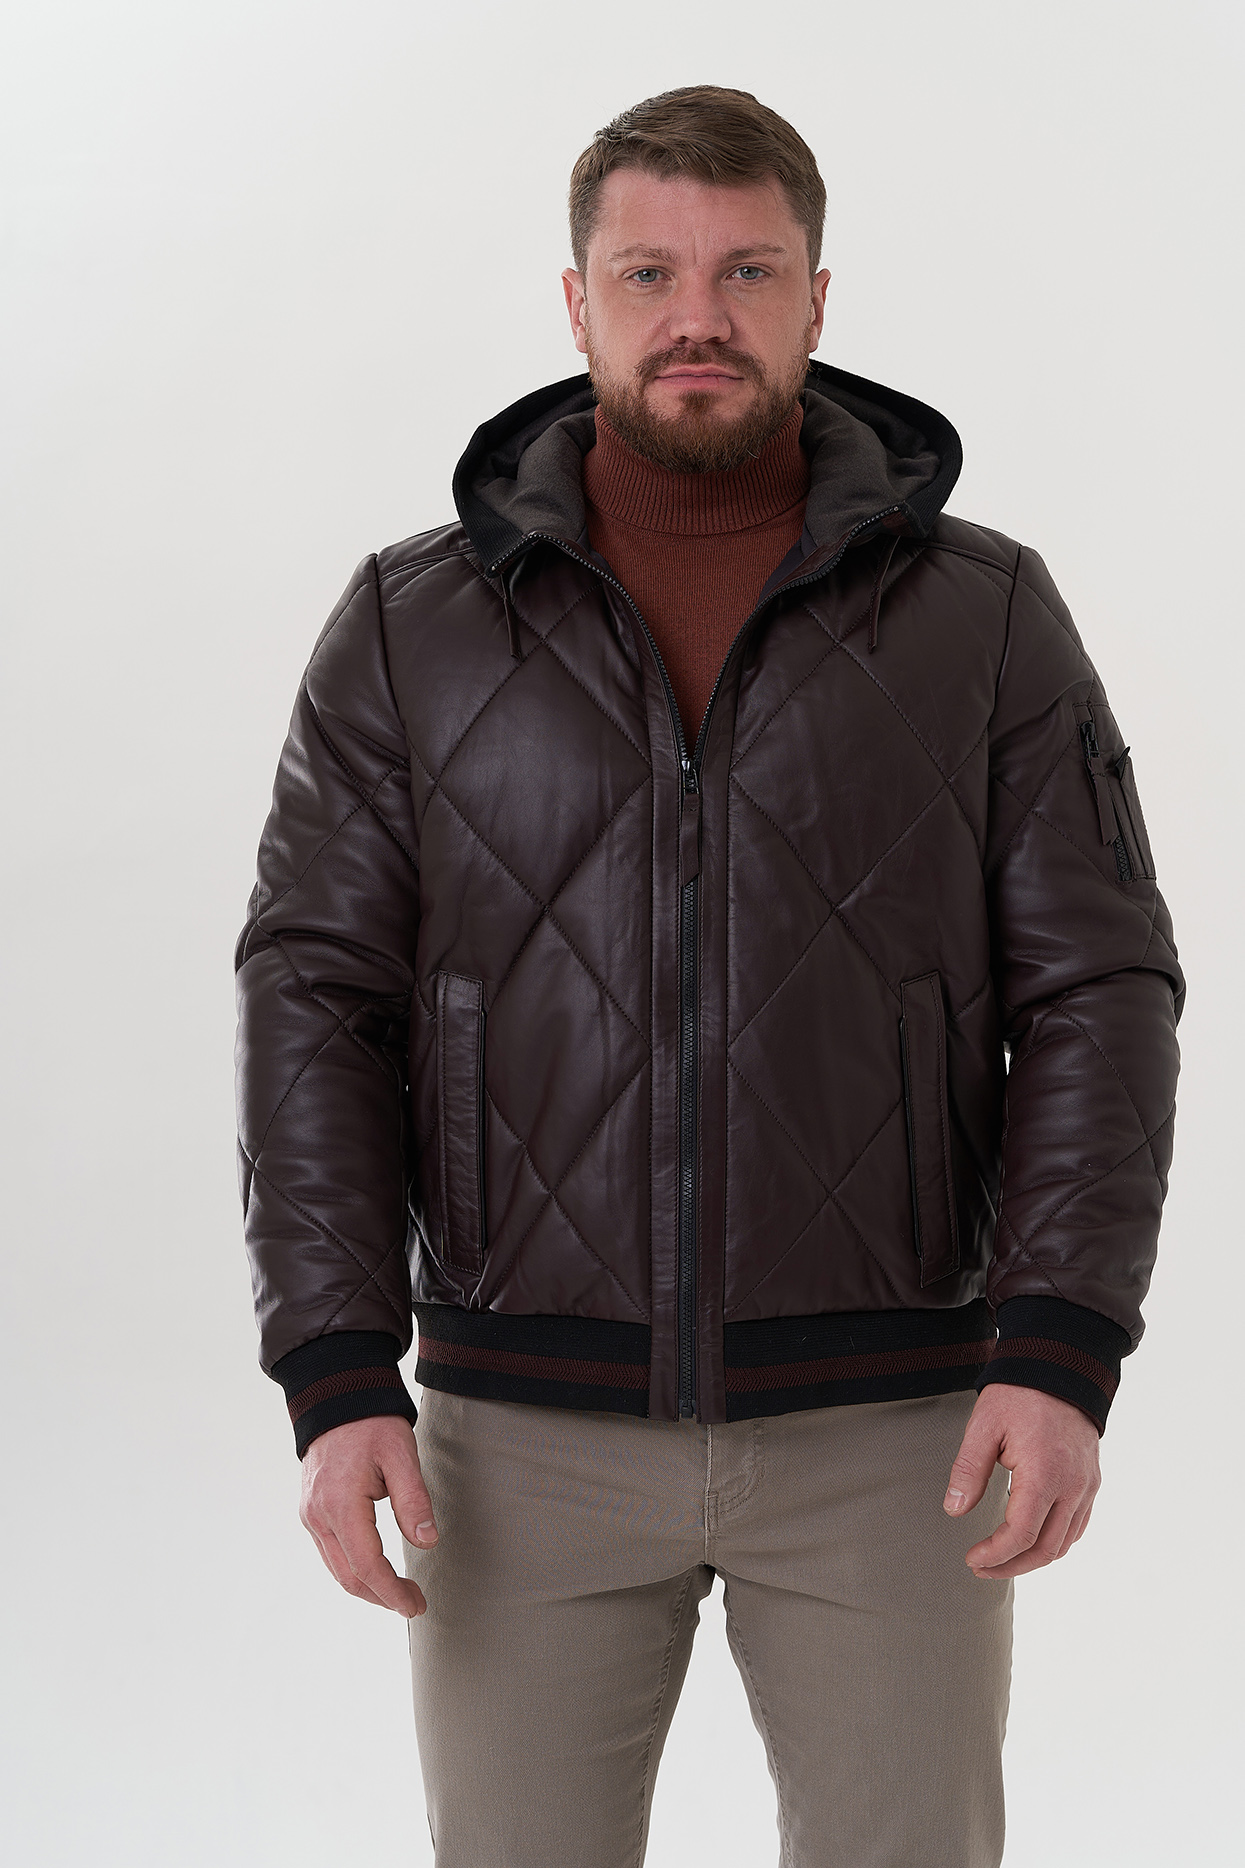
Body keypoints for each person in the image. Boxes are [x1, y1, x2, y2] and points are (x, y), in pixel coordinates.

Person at [235, 85, 1182, 1868]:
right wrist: (337, 1366)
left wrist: (1062, 1344)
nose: (697, 316)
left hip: (896, 1428)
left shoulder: (983, 617)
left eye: (746, 271)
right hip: (518, 1431)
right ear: (574, 301)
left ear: (815, 299)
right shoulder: (409, 628)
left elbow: (1098, 989)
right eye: (647, 273)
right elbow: (315, 1002)